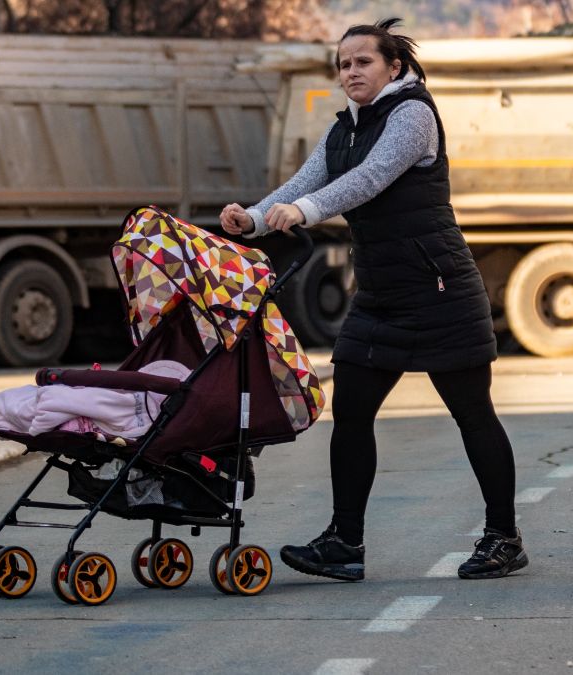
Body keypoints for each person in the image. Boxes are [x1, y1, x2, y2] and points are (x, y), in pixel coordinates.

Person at [220, 18, 527, 581]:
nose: (351, 72)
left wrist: (305, 213)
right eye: (344, 64)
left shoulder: (413, 114)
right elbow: (308, 179)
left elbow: (369, 179)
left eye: (363, 61)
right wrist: (256, 218)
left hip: (439, 291)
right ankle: (345, 543)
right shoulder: (344, 127)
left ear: (394, 67)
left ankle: (503, 537)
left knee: (472, 414)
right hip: (380, 295)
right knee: (352, 412)